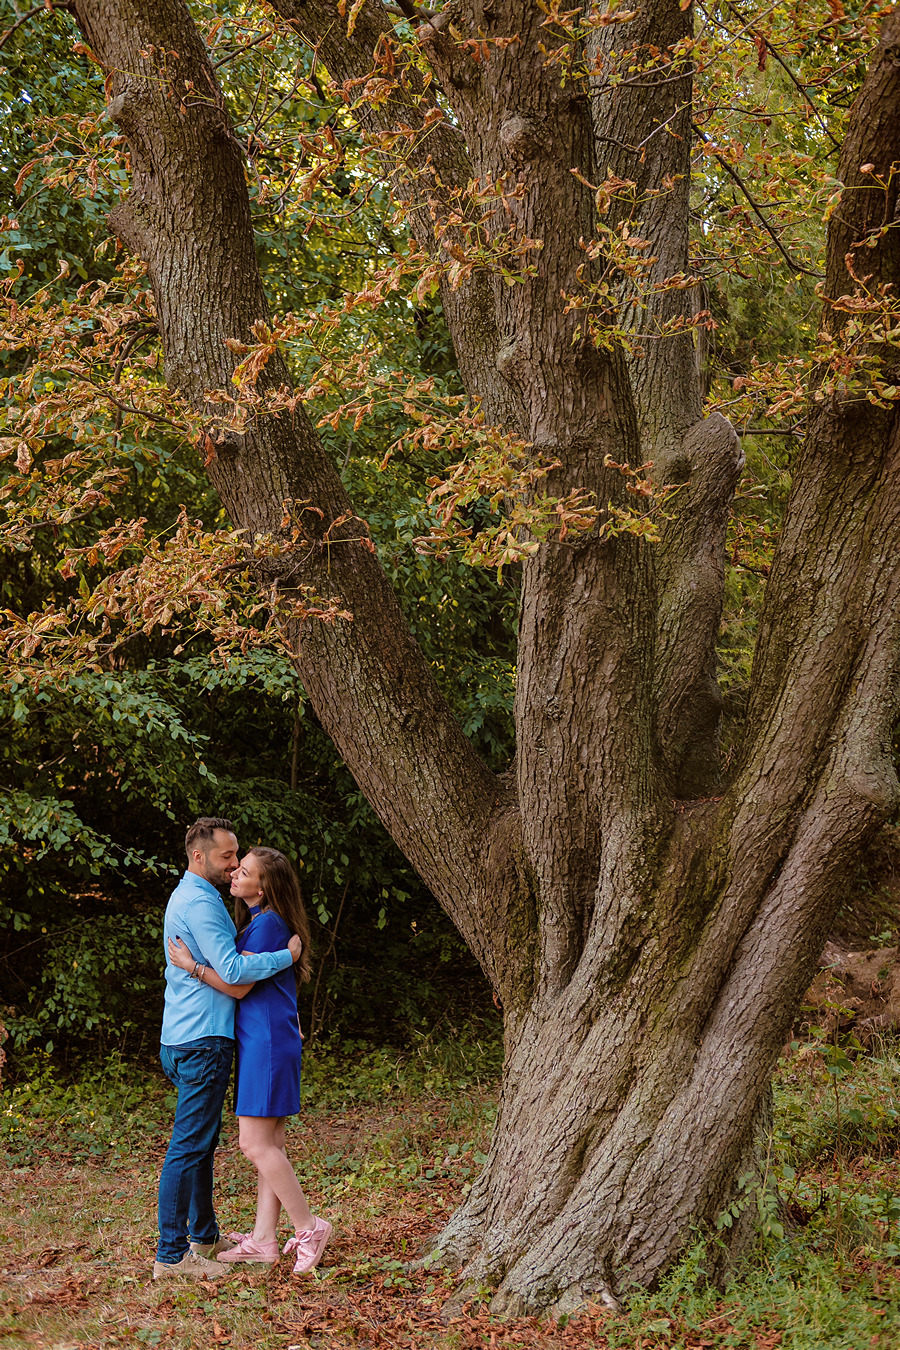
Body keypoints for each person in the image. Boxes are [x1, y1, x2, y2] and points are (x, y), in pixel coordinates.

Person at [168, 845, 332, 1275]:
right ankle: (263, 1241)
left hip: (267, 1044)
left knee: (253, 1144)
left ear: (265, 885)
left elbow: (239, 986)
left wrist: (192, 966)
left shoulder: (267, 925)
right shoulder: (262, 922)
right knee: (270, 1146)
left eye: (244, 871)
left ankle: (309, 1227)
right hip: (267, 1039)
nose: (235, 875)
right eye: (236, 867)